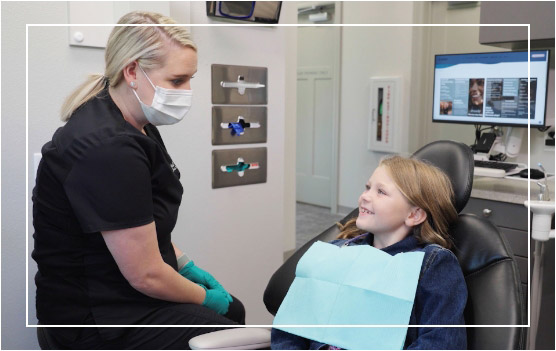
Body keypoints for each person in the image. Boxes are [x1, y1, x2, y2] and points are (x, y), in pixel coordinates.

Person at [32, 11, 244, 349]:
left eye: (191, 78)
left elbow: (139, 222)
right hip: (99, 318)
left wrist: (186, 265)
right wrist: (207, 298)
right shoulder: (108, 147)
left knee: (236, 314)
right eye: (177, 80)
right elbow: (145, 275)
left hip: (119, 292)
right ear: (132, 71)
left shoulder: (131, 123)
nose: (187, 91)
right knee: (233, 323)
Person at [271, 156, 467, 350]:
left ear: (413, 215)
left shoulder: (431, 264)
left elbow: (440, 343)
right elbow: (290, 328)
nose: (364, 196)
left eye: (381, 192)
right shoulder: (338, 252)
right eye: (367, 187)